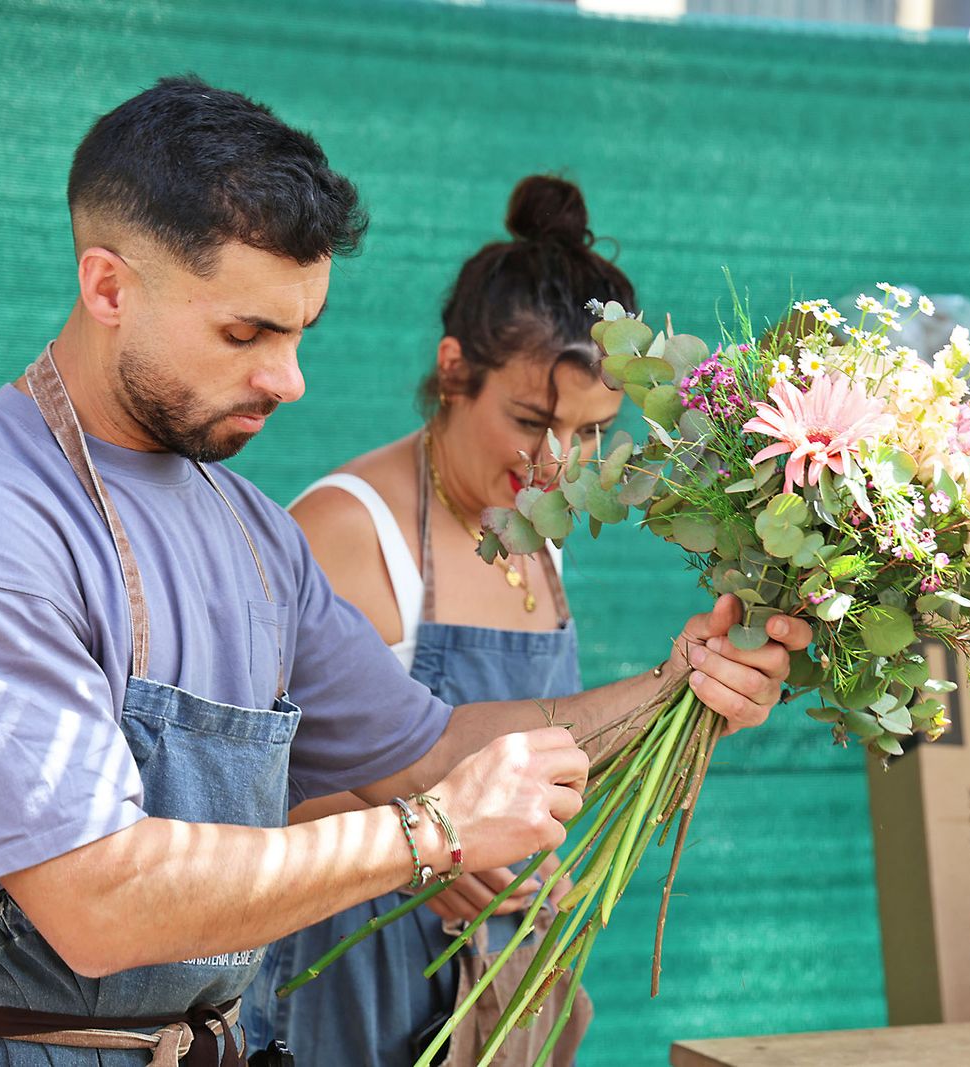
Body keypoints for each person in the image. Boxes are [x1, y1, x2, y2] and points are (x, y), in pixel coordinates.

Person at [0, 77, 809, 1067]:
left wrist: (678, 683)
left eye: (300, 331)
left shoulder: (253, 533)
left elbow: (427, 744)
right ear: (108, 288)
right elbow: (101, 899)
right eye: (246, 333)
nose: (290, 378)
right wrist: (431, 833)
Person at [244, 174, 637, 1066]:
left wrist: (532, 854)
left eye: (590, 432)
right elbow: (245, 806)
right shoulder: (348, 531)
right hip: (345, 982)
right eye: (531, 420)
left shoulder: (537, 530)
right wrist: (429, 841)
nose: (556, 462)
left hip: (500, 982)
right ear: (455, 368)